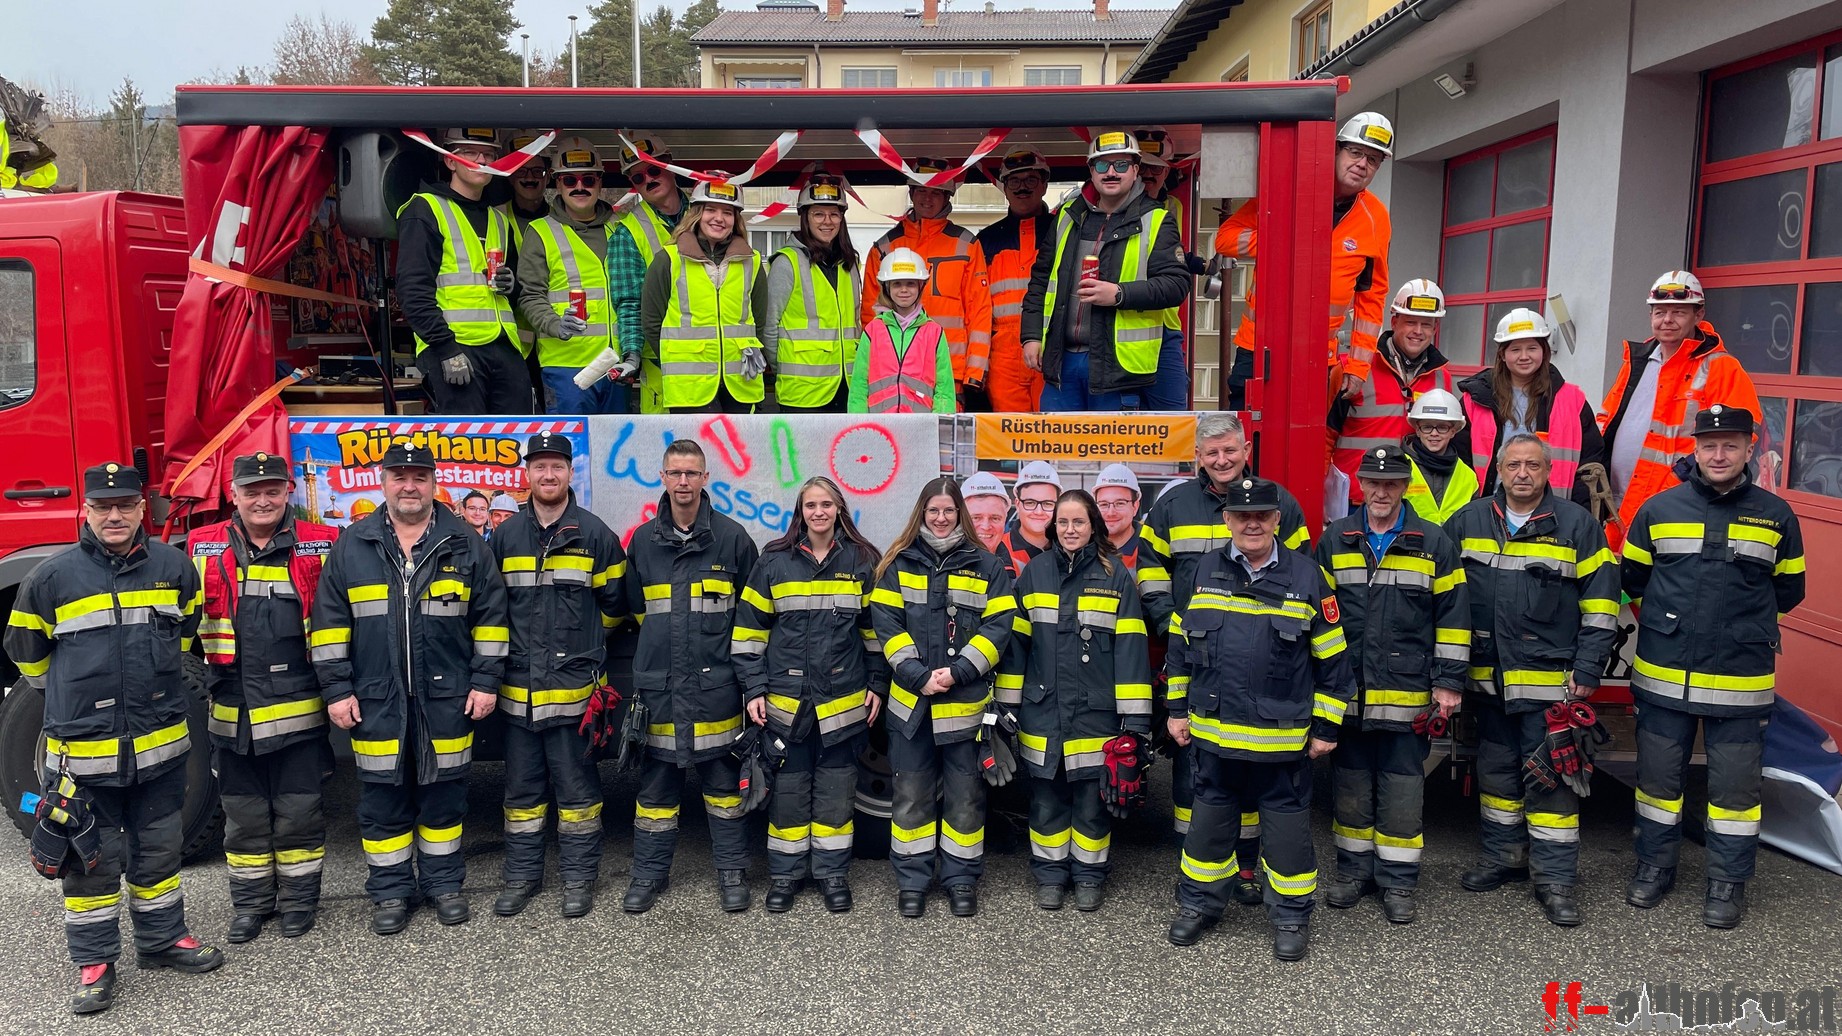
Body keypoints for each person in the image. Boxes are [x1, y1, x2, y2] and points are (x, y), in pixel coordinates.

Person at [6, 462, 219, 1015]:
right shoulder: (50, 578)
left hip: (161, 748)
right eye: (103, 507)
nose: (115, 515)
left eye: (125, 505)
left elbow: (188, 633)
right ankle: (95, 960)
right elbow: (28, 657)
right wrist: (78, 699)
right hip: (83, 757)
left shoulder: (175, 567)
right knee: (91, 860)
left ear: (141, 510)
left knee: (160, 850)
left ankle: (163, 940)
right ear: (86, 512)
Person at [309, 442, 509, 936]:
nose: (409, 485)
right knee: (381, 801)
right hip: (376, 697)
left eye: (419, 476)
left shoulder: (465, 543)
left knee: (445, 797)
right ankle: (391, 893)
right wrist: (336, 690)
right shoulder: (353, 544)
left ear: (433, 481)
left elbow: (491, 620)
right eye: (399, 475)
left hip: (447, 697)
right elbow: (329, 625)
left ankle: (443, 886)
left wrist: (485, 682)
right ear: (384, 481)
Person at [1621, 405, 1805, 929]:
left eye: (1730, 444)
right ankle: (1655, 866)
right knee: (1657, 783)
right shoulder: (1658, 510)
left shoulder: (1777, 516)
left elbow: (1790, 590)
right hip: (1665, 673)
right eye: (1709, 445)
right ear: (1694, 449)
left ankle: (1728, 881)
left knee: (1734, 793)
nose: (1719, 454)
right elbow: (1633, 579)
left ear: (1750, 448)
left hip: (1740, 681)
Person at [1164, 476, 1355, 961]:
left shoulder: (1307, 577)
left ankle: (1291, 915)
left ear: (1277, 521)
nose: (1252, 523)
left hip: (1282, 740)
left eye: (1262, 516)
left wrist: (1327, 728)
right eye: (1241, 516)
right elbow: (1182, 647)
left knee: (1288, 834)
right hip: (1213, 735)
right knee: (1207, 826)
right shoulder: (1205, 570)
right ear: (1226, 520)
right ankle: (1198, 906)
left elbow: (1333, 661)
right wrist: (1175, 710)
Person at [1448, 433, 1619, 928]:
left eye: (1533, 466)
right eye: (1513, 465)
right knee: (1497, 775)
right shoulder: (1470, 521)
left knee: (1552, 781)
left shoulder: (1578, 526)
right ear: (1498, 470)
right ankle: (1503, 858)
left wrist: (1588, 671)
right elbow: (1445, 595)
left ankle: (1556, 879)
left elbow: (1602, 605)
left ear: (1549, 472)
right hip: (1488, 682)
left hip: (1550, 686)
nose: (1522, 474)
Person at [1141, 411, 1308, 882]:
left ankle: (1247, 870)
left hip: (1262, 662)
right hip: (1196, 659)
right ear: (1197, 456)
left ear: (1246, 452)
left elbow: (1303, 575)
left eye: (1230, 450)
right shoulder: (1173, 505)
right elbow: (1151, 570)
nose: (1221, 460)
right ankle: (1194, 869)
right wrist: (1168, 624)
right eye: (1211, 452)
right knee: (1194, 765)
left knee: (1252, 769)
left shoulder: (1280, 504)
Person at [1314, 444, 1468, 924]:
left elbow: (1454, 620)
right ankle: (1352, 873)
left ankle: (1398, 882)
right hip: (1351, 693)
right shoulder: (1335, 539)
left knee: (1403, 790)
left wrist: (1448, 684)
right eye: (1374, 483)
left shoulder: (1434, 543)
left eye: (1392, 483)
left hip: (1409, 695)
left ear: (1405, 487)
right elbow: (1318, 620)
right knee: (1351, 784)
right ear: (1361, 485)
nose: (1381, 492)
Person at [189, 453, 339, 944]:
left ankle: (299, 905)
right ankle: (251, 906)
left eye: (272, 490)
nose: (262, 499)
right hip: (232, 710)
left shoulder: (322, 545)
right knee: (244, 817)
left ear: (290, 491)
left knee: (299, 814)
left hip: (298, 707)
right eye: (252, 490)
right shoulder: (200, 546)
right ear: (233, 493)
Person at [732, 477, 887, 914]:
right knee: (788, 791)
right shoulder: (773, 563)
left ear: (839, 509)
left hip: (843, 703)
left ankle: (832, 875)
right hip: (786, 704)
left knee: (838, 790)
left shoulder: (862, 561)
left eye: (826, 504)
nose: (818, 512)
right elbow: (748, 635)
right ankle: (785, 877)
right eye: (810, 505)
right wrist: (754, 690)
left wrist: (876, 683)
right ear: (800, 513)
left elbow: (876, 633)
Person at [490, 433, 628, 921]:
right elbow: (492, 610)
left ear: (571, 473)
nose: (548, 476)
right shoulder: (504, 538)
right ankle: (522, 879)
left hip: (573, 697)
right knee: (521, 796)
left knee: (578, 796)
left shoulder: (595, 535)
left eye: (557, 467)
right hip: (519, 697)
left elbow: (617, 608)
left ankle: (578, 881)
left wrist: (585, 646)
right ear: (526, 474)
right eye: (539, 467)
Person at [621, 440, 760, 914]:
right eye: (675, 473)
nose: (683, 482)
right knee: (655, 792)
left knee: (724, 791)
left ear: (705, 479)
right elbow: (638, 610)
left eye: (691, 473)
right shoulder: (641, 541)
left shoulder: (733, 539)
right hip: (660, 691)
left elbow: (753, 616)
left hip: (716, 691)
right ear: (662, 477)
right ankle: (648, 876)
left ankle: (732, 874)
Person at [869, 477, 1018, 918]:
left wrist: (956, 674)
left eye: (948, 511)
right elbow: (886, 626)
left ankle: (960, 880)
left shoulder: (987, 566)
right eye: (932, 510)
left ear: (960, 515)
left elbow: (998, 629)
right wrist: (919, 676)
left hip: (964, 704)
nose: (940, 517)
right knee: (911, 795)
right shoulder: (897, 564)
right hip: (912, 704)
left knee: (966, 797)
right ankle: (912, 882)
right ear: (922, 514)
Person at [999, 490, 1152, 912]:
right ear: (1053, 527)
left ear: (1093, 527)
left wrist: (1135, 726)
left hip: (1096, 716)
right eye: (1062, 523)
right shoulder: (1033, 574)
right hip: (1042, 711)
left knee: (1091, 801)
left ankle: (1088, 875)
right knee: (1046, 798)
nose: (1069, 530)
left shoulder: (1116, 575)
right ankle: (1050, 875)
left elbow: (1131, 653)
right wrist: (1006, 711)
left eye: (1078, 523)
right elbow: (1016, 650)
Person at [1217, 112, 1395, 406]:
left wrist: (1358, 366)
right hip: (1259, 346)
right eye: (1355, 152)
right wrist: (1283, 241)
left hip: (1317, 356)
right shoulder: (1287, 190)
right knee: (1248, 437)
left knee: (1304, 443)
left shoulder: (1376, 218)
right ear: (1336, 150)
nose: (1362, 164)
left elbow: (1372, 296)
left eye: (1373, 159)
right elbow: (1225, 238)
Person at [1019, 129, 1190, 412]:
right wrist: (1032, 336)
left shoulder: (1157, 219)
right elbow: (1040, 281)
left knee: (1110, 455)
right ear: (1091, 171)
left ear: (1136, 170)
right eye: (1102, 165)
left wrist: (1119, 294)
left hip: (1115, 367)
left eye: (1121, 165)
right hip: (1062, 363)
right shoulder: (1067, 216)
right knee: (1060, 452)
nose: (1111, 172)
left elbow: (1175, 285)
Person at [1599, 271, 1763, 550]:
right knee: (1616, 579)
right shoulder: (1636, 362)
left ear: (1698, 315)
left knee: (1658, 582)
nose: (1667, 320)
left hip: (1678, 501)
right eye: (1660, 312)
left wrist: (1683, 476)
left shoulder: (1721, 367)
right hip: (1614, 498)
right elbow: (1606, 418)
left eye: (1678, 312)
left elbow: (1741, 435)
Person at [395, 128, 532, 415]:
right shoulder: (425, 209)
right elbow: (412, 289)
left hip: (503, 347)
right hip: (454, 348)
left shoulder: (499, 219)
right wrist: (445, 349)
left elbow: (518, 290)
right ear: (450, 161)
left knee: (516, 442)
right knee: (468, 448)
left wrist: (511, 285)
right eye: (470, 152)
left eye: (489, 155)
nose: (481, 160)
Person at [860, 158, 994, 402]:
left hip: (950, 372)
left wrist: (974, 372)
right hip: (895, 374)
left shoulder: (967, 244)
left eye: (936, 192)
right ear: (911, 192)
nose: (927, 198)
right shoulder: (884, 247)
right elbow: (871, 315)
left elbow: (980, 313)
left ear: (947, 197)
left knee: (943, 439)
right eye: (921, 190)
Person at [640, 175, 769, 415]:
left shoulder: (752, 262)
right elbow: (651, 322)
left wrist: (752, 345)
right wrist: (675, 360)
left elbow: (759, 319)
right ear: (697, 214)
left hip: (740, 383)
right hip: (688, 388)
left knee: (736, 453)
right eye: (711, 210)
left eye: (728, 212)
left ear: (736, 219)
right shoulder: (668, 259)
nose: (719, 218)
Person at [516, 136, 627, 415]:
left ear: (600, 182)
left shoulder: (623, 228)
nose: (580, 187)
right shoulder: (541, 231)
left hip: (616, 364)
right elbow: (530, 296)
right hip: (566, 366)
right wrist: (555, 325)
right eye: (570, 180)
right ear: (556, 183)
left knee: (616, 451)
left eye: (588, 179)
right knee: (571, 450)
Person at [1458, 308, 1606, 508]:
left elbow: (1590, 462)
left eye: (1532, 348)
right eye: (1515, 349)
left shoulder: (1572, 400)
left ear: (1544, 351)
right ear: (1502, 355)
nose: (1524, 356)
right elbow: (1459, 461)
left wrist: (1581, 513)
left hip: (1554, 512)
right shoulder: (1474, 399)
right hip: (1488, 508)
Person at [1329, 279, 1457, 496]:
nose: (1418, 331)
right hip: (1355, 498)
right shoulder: (1353, 368)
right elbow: (1324, 436)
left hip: (1411, 500)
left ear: (1435, 328)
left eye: (1426, 324)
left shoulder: (1441, 377)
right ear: (1394, 321)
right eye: (1410, 322)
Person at [610, 134, 693, 413]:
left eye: (653, 170)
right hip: (661, 362)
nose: (648, 180)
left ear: (670, 166)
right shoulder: (627, 232)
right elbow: (629, 302)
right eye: (637, 178)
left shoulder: (709, 215)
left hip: (715, 359)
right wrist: (631, 354)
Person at [763, 177, 860, 413]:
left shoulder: (849, 263)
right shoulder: (787, 262)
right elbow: (769, 326)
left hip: (847, 387)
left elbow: (856, 323)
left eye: (834, 214)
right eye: (818, 214)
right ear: (805, 217)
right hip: (801, 393)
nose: (827, 221)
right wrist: (784, 368)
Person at [974, 149, 1053, 412]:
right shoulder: (986, 240)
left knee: (1053, 433)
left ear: (1044, 184)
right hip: (1002, 354)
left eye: (1030, 180)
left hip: (1051, 346)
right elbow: (977, 306)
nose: (1022, 188)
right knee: (1010, 437)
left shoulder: (1064, 232)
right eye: (1014, 181)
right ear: (1004, 188)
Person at [1134, 125, 1202, 411]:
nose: (1149, 175)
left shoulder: (1173, 206)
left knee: (1173, 419)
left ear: (1167, 172)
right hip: (1119, 327)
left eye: (1157, 169)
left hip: (1165, 327)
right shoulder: (1103, 209)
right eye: (1144, 168)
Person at [848, 248, 954, 414]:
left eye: (910, 283)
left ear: (921, 286)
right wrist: (858, 425)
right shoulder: (873, 331)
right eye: (897, 283)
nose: (904, 290)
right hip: (879, 427)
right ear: (887, 287)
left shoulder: (934, 332)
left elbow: (944, 388)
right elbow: (859, 385)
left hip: (921, 428)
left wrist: (939, 427)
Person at [502, 130, 552, 362]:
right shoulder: (495, 217)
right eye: (521, 170)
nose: (529, 177)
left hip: (558, 336)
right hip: (511, 341)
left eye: (537, 171)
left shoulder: (562, 221)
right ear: (510, 175)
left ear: (548, 176)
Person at [1401, 388, 1475, 525]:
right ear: (1417, 430)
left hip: (1453, 545)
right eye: (1427, 427)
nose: (1434, 433)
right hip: (1410, 544)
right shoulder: (1400, 467)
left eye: (1442, 427)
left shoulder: (1468, 476)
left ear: (1453, 432)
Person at [997, 461, 1062, 575]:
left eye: (1047, 503)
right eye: (1030, 503)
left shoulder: (1070, 549)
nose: (1038, 512)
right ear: (1017, 504)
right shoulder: (998, 548)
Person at [960, 471, 1012, 556]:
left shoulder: (1019, 566)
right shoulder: (939, 565)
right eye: (976, 518)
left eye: (995, 518)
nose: (986, 527)